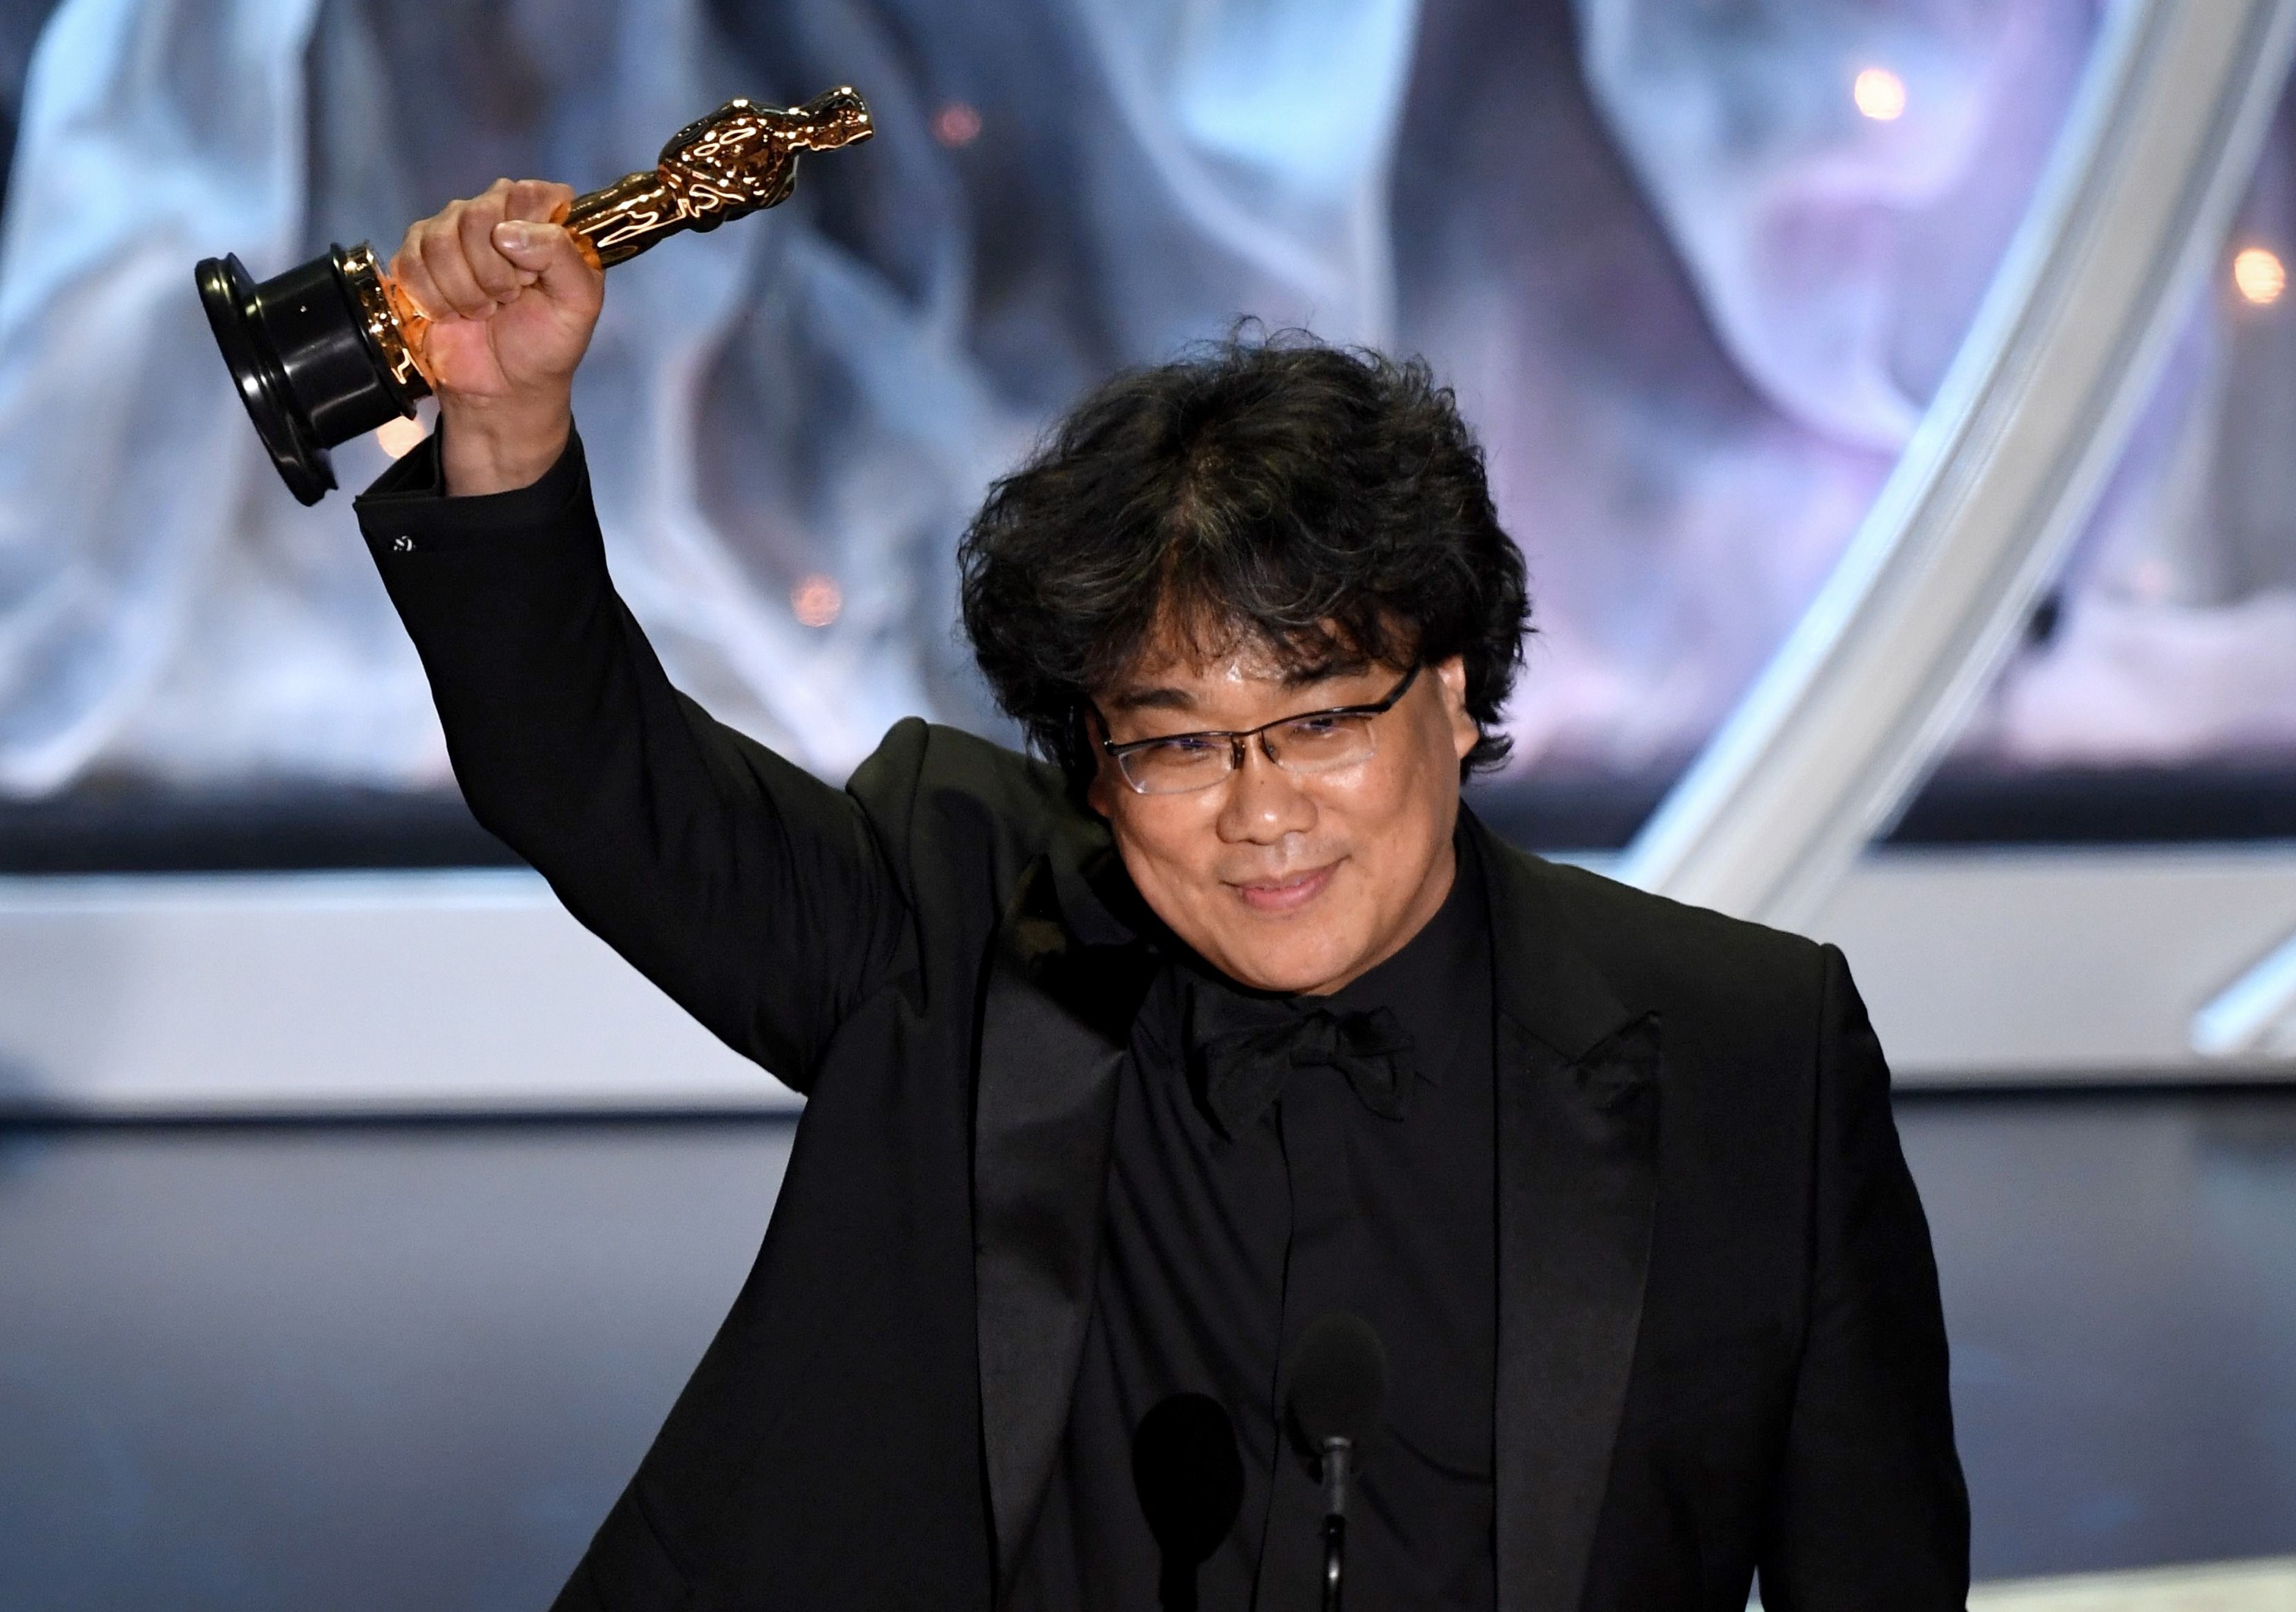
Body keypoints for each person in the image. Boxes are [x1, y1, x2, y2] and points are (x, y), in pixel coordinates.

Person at [357, 179, 1970, 1610]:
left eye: (1322, 718)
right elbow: (593, 783)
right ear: (1090, 758)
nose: (1260, 812)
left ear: (1458, 694)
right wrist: (502, 438)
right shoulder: (959, 931)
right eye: (1177, 744)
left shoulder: (1748, 1052)